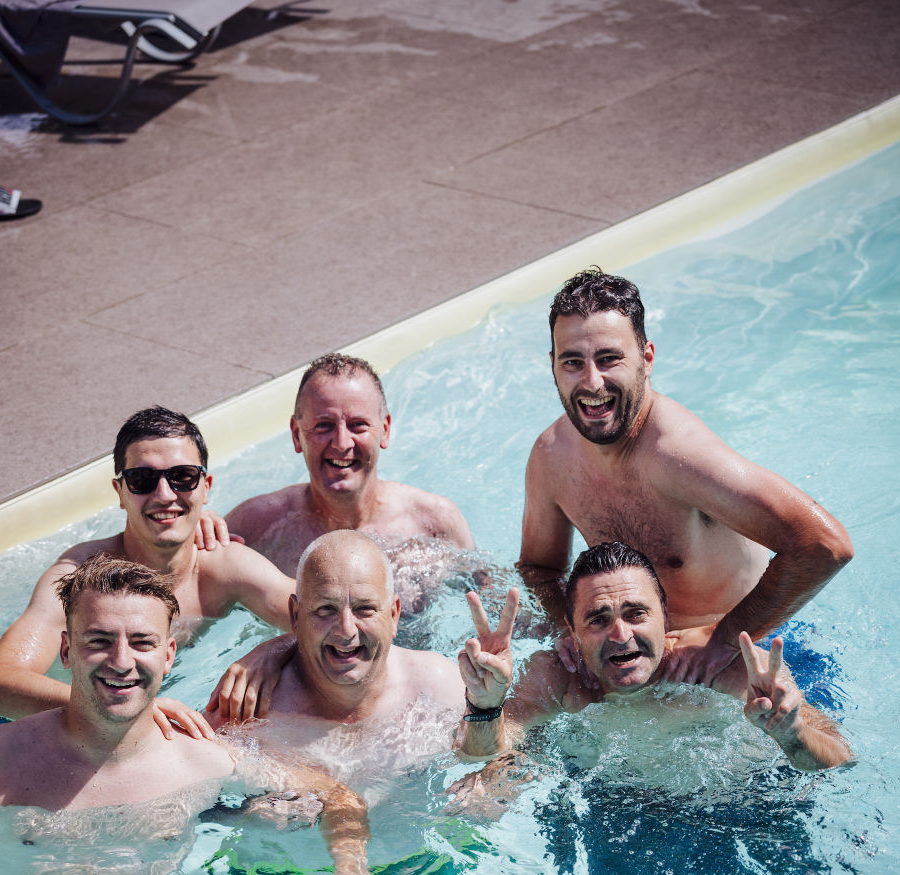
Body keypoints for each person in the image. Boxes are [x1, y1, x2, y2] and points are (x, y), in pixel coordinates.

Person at [0, 556, 376, 875]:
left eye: (142, 642)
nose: (121, 661)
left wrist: (351, 868)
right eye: (99, 641)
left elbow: (338, 797)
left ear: (168, 655)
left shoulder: (206, 761)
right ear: (67, 650)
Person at [519, 268, 854, 686]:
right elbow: (539, 569)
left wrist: (723, 640)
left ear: (646, 359)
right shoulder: (552, 457)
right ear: (553, 365)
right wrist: (567, 630)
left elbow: (824, 545)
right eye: (572, 362)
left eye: (609, 359)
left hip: (746, 647)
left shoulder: (681, 455)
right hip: (632, 658)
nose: (591, 382)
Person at [0, 406, 296, 738]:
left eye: (183, 477)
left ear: (205, 486)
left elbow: (324, 616)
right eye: (142, 480)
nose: (164, 495)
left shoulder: (225, 568)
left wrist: (272, 651)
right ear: (120, 493)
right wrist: (131, 707)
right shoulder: (79, 577)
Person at [455, 541, 853, 775]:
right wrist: (485, 706)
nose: (621, 635)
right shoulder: (558, 678)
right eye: (598, 620)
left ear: (666, 618)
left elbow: (841, 758)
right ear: (572, 634)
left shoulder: (730, 668)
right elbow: (481, 757)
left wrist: (790, 731)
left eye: (636, 614)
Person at [213, 529, 475, 787]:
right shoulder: (248, 708)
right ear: (295, 615)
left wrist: (488, 708)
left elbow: (488, 762)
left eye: (365, 609)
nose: (346, 630)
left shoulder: (438, 685)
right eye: (326, 609)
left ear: (394, 615)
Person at [225, 352, 475, 576]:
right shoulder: (255, 528)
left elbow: (488, 597)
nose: (342, 443)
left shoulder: (435, 523)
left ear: (385, 431)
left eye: (358, 425)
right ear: (296, 434)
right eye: (324, 425)